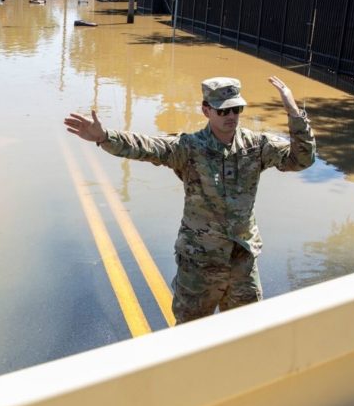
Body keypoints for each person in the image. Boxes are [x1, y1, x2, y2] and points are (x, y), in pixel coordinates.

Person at [64, 76, 315, 324]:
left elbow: (301, 159)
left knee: (246, 333)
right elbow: (147, 146)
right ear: (206, 110)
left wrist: (293, 112)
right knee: (189, 335)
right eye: (223, 110)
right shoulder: (189, 147)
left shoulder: (256, 146)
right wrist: (104, 136)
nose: (231, 116)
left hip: (242, 263)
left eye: (236, 109)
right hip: (199, 265)